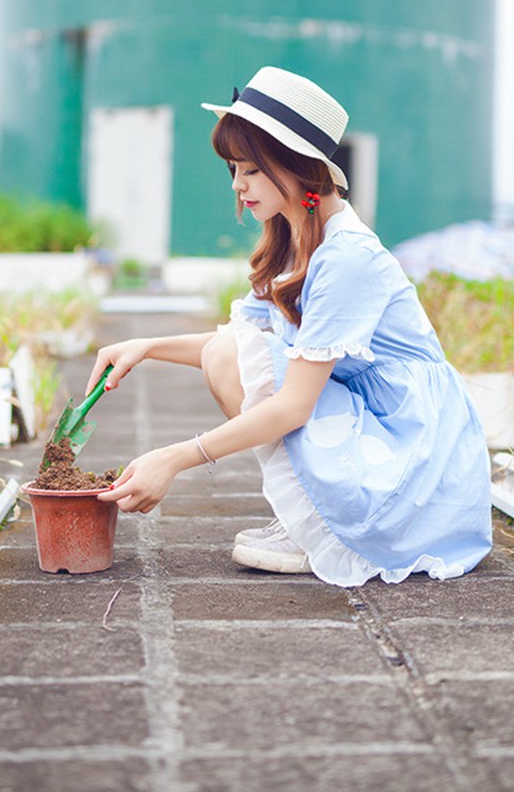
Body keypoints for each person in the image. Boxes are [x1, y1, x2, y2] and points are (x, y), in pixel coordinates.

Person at [89, 66, 492, 586]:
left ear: (296, 166)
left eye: (251, 170)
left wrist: (176, 458)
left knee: (235, 355)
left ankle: (321, 528)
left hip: (411, 453)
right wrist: (146, 347)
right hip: (378, 423)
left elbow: (295, 403)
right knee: (230, 349)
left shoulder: (347, 256)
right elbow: (234, 346)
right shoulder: (299, 240)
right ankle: (310, 518)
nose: (238, 186)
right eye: (234, 170)